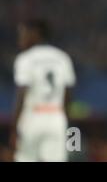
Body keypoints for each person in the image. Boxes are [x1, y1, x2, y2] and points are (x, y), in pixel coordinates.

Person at [10, 19, 76, 162]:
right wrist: (67, 124)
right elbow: (68, 96)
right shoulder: (62, 58)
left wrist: (13, 128)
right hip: (56, 117)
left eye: (23, 33)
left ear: (35, 33)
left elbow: (22, 94)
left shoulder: (25, 59)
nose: (21, 38)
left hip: (32, 117)